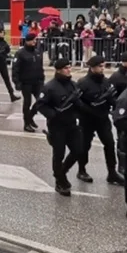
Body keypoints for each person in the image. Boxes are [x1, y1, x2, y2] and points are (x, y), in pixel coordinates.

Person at [35, 58, 85, 196]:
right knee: (59, 154)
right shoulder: (50, 87)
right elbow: (40, 104)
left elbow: (79, 102)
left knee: (78, 150)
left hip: (71, 124)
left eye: (69, 67)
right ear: (58, 70)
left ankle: (61, 172)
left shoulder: (73, 85)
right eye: (66, 68)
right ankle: (59, 181)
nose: (69, 70)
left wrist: (78, 106)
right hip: (57, 126)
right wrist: (52, 114)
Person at [75, 56, 124, 186]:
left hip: (103, 118)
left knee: (109, 143)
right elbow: (77, 102)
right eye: (100, 66)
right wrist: (89, 110)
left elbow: (111, 98)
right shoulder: (83, 83)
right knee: (85, 145)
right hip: (87, 120)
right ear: (92, 67)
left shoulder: (106, 82)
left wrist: (115, 107)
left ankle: (112, 172)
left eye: (103, 66)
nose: (102, 69)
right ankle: (81, 170)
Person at [13, 33, 45, 133]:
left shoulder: (37, 52)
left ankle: (30, 116)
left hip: (37, 81)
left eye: (36, 40)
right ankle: (26, 123)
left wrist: (42, 78)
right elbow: (15, 69)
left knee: (41, 101)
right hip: (26, 82)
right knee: (27, 103)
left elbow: (40, 66)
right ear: (27, 41)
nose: (35, 42)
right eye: (33, 40)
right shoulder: (21, 53)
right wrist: (17, 82)